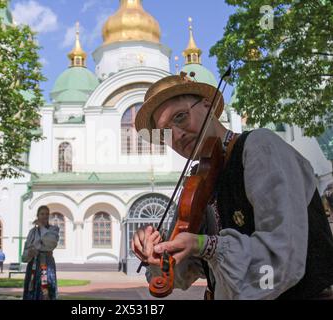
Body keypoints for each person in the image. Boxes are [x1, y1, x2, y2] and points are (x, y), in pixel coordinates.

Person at [131, 73, 333, 300]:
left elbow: (281, 259)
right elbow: (180, 276)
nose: (176, 135)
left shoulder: (259, 147)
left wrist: (204, 245)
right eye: (165, 132)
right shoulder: (200, 181)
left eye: (180, 117)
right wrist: (159, 256)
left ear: (207, 105)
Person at [22, 205, 60, 300]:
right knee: (32, 289)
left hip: (46, 264)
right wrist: (29, 253)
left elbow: (51, 243)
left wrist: (42, 227)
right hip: (33, 264)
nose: (44, 216)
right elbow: (25, 253)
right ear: (38, 215)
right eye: (42, 214)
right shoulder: (32, 232)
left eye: (47, 214)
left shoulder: (53, 230)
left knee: (46, 289)